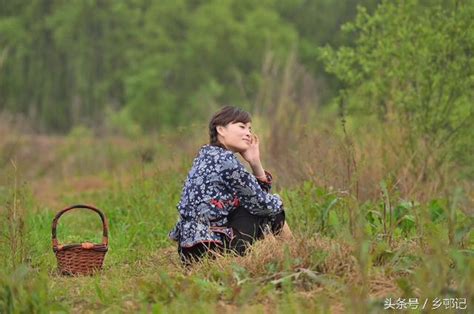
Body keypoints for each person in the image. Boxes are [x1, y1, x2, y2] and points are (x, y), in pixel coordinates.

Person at [169, 106, 289, 265]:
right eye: (241, 126)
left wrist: (254, 162)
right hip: (213, 249)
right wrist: (277, 203)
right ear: (221, 130)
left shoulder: (206, 156)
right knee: (272, 207)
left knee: (258, 204)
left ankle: (285, 254)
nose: (248, 133)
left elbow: (252, 195)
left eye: (249, 128)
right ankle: (293, 254)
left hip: (190, 253)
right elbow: (262, 204)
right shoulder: (225, 161)